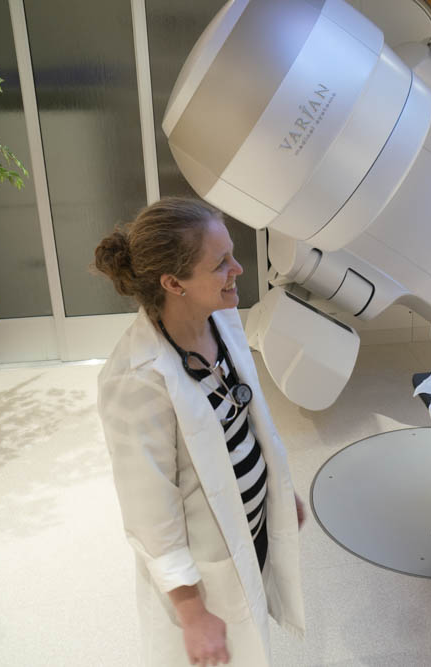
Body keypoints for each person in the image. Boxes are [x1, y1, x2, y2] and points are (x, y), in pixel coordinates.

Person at [95, 197, 304, 666]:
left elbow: (247, 420)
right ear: (173, 283)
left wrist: (275, 490)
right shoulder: (137, 379)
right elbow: (150, 514)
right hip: (203, 574)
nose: (239, 270)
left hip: (249, 533)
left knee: (252, 644)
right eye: (221, 263)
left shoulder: (222, 320)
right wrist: (192, 615)